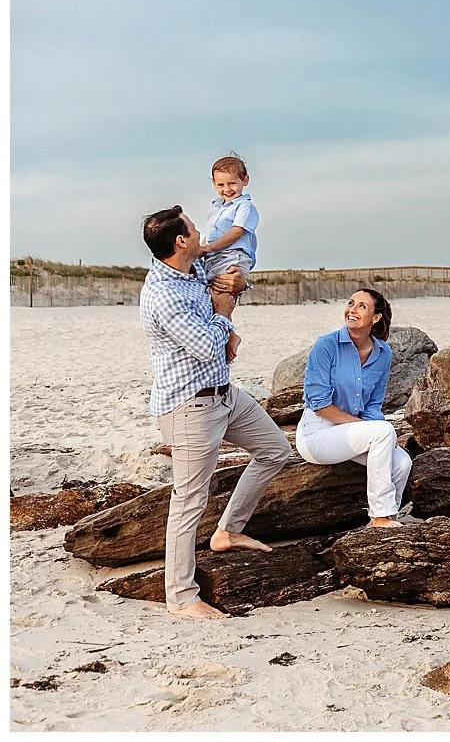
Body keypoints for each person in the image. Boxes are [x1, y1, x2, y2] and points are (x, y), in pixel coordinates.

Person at [139, 204, 292, 618]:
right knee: (189, 500)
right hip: (190, 406)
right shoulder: (164, 294)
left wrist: (237, 284)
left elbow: (231, 282)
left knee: (276, 452)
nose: (201, 231)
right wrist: (226, 319)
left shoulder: (193, 267)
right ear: (180, 241)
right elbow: (207, 344)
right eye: (192, 227)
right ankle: (181, 597)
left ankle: (228, 531)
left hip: (224, 393)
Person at [295, 288, 413, 525]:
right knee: (383, 431)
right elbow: (319, 404)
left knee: (402, 462)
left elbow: (374, 403)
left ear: (376, 317)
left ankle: (387, 517)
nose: (352, 310)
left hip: (352, 433)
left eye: (362, 306)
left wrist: (372, 432)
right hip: (316, 433)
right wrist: (369, 430)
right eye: (351, 303)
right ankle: (379, 515)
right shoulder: (326, 345)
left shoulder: (382, 353)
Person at [196, 152, 258, 304]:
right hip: (214, 258)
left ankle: (226, 327)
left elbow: (237, 232)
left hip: (232, 257)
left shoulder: (245, 206)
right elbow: (209, 232)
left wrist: (209, 248)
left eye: (232, 183)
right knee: (210, 301)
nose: (227, 189)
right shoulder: (216, 207)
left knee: (222, 300)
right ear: (214, 183)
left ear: (245, 180)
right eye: (221, 185)